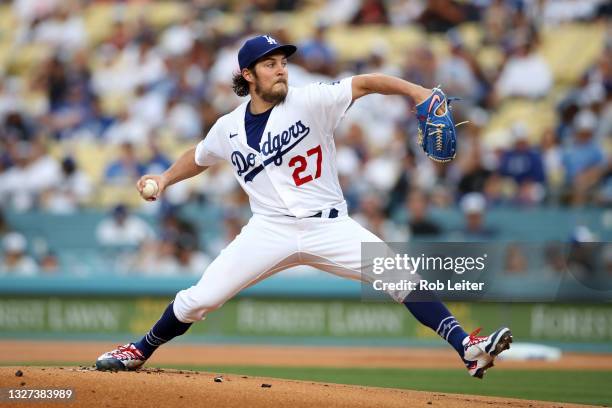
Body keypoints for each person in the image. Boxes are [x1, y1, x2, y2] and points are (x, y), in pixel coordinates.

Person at [95, 35, 512, 378]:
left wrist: (418, 92)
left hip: (330, 226)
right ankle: (139, 350)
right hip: (268, 230)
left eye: (282, 61)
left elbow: (365, 83)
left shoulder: (312, 100)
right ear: (247, 74)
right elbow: (200, 155)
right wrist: (165, 178)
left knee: (398, 275)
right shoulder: (228, 128)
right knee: (198, 300)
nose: (280, 68)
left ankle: (468, 347)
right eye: (269, 63)